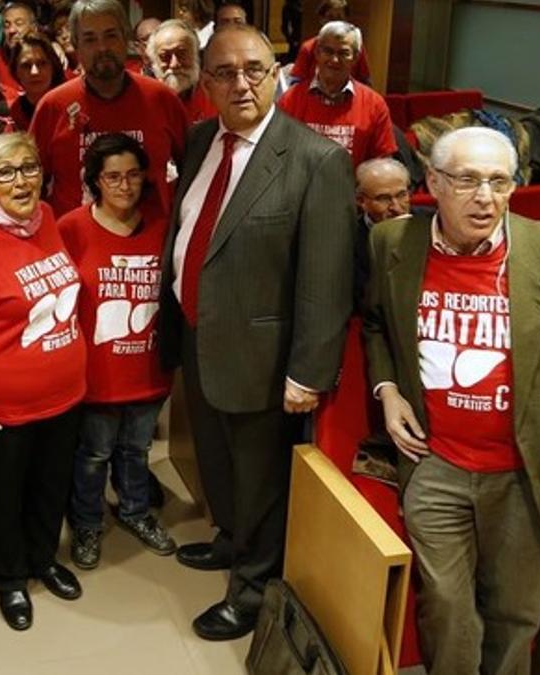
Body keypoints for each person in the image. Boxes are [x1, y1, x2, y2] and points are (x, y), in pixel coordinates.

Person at [362, 126, 540, 675]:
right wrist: (387, 391)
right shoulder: (392, 244)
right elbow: (377, 324)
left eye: (500, 182)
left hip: (528, 472)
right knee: (448, 610)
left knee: (515, 615)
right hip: (434, 464)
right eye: (468, 180)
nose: (485, 197)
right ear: (433, 181)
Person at [159, 24, 355, 641]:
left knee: (260, 480)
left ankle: (251, 590)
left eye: (254, 70)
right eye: (224, 72)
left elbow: (327, 280)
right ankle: (229, 540)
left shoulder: (316, 160)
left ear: (276, 75)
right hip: (201, 335)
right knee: (218, 465)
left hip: (266, 358)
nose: (240, 83)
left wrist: (308, 372)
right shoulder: (198, 141)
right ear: (206, 81)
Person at [0, 133, 86, 632]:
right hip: (6, 406)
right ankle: (10, 578)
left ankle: (43, 559)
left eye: (27, 168)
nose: (20, 181)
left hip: (66, 394)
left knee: (51, 488)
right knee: (5, 497)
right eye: (4, 173)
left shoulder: (47, 218)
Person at [58, 133, 175, 569]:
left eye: (131, 175)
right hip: (96, 374)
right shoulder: (71, 227)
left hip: (147, 370)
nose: (124, 186)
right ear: (95, 181)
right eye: (112, 177)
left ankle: (134, 510)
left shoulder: (163, 225)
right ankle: (87, 521)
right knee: (93, 455)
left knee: (136, 450)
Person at [30, 0, 189, 216]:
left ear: (127, 39)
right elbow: (31, 184)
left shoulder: (162, 99)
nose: (102, 48)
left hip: (152, 241)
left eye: (111, 35)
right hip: (73, 244)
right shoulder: (53, 107)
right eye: (90, 39)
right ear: (76, 45)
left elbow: (193, 175)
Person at [278, 21, 396, 168]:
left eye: (343, 53)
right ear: (317, 53)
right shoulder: (289, 100)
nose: (334, 60)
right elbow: (276, 154)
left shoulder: (375, 105)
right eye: (328, 51)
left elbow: (383, 162)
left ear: (356, 57)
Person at [353, 157, 414, 307]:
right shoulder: (348, 239)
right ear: (361, 201)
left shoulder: (432, 225)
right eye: (383, 199)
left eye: (402, 195)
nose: (396, 208)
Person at [148, 19, 219, 124]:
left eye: (182, 54)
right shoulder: (144, 101)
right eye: (165, 57)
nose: (174, 64)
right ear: (154, 61)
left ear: (196, 55)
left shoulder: (216, 96)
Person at [290, 0, 371, 86]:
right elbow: (296, 82)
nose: (335, 22)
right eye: (330, 17)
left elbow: (365, 81)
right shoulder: (308, 47)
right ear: (321, 19)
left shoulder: (356, 47)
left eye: (339, 18)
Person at [5, 32, 65, 131]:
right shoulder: (14, 113)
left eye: (42, 63)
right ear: (16, 71)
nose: (34, 72)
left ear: (53, 67)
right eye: (26, 66)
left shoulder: (69, 107)